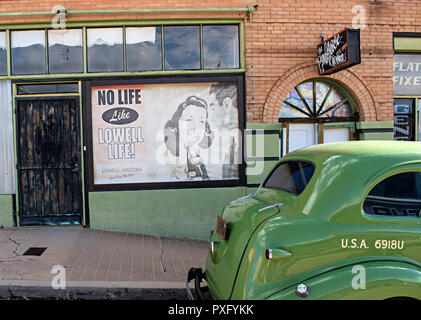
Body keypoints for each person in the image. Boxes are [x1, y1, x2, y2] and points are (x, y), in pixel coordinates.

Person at [164, 96, 213, 180]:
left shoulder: (202, 161)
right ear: (177, 124)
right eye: (189, 120)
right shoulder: (167, 160)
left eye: (201, 121)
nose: (196, 127)